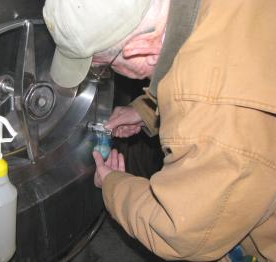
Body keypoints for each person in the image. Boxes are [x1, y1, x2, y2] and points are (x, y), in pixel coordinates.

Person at [43, 0, 276, 261]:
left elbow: (180, 234)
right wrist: (146, 111)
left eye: (106, 66)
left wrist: (113, 185)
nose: (108, 71)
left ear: (142, 51)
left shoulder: (213, 127)